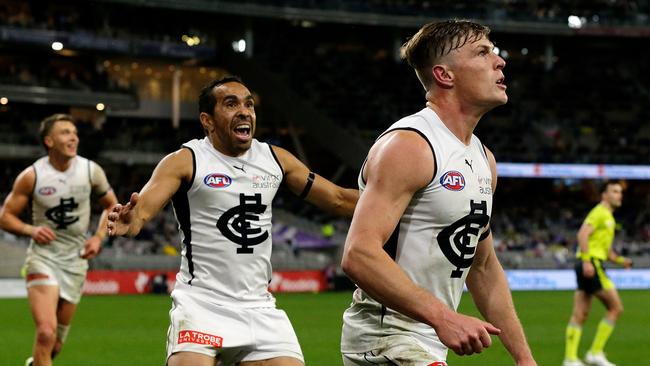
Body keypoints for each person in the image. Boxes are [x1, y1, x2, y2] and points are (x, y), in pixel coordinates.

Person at [107, 75, 358, 366]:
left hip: (259, 307)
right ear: (207, 120)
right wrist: (131, 221)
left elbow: (339, 199)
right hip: (201, 305)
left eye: (249, 104)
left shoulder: (276, 160)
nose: (244, 111)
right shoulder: (185, 160)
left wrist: (396, 200)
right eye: (231, 104)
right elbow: (143, 211)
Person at [340, 20, 536, 366]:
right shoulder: (409, 145)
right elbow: (359, 253)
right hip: (386, 339)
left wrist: (524, 359)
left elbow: (484, 268)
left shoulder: (483, 159)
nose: (500, 60)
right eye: (483, 52)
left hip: (425, 343)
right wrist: (444, 317)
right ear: (445, 75)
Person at [0, 114, 118, 366]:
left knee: (54, 344)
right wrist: (30, 230)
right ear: (49, 141)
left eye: (74, 132)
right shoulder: (32, 175)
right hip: (42, 257)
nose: (73, 136)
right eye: (65, 132)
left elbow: (112, 207)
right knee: (45, 332)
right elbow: (5, 216)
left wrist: (98, 238)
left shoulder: (90, 170)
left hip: (76, 261)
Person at [563, 181, 632, 366]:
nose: (619, 195)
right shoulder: (600, 212)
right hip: (591, 263)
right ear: (604, 195)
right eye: (614, 191)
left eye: (620, 192)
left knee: (581, 313)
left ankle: (570, 359)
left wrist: (621, 261)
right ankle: (595, 352)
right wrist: (586, 260)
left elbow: (608, 252)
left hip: (589, 262)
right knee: (616, 308)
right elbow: (582, 234)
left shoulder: (609, 217)